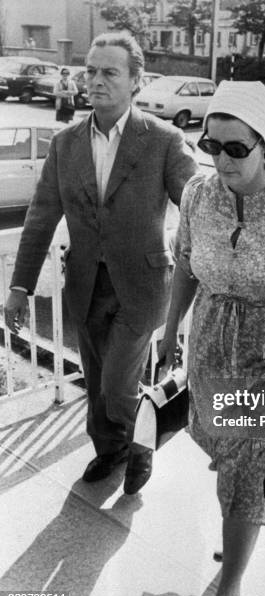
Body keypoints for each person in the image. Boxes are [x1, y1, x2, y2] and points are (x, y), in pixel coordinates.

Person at [4, 33, 197, 495]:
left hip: (144, 283)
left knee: (116, 380)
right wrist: (19, 287)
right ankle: (110, 451)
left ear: (136, 81)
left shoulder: (165, 141)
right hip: (86, 282)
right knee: (96, 382)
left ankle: (142, 444)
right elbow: (41, 217)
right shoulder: (65, 143)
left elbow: (197, 211)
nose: (95, 80)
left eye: (109, 72)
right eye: (90, 70)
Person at [158, 80, 265, 596]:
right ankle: (237, 540)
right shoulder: (197, 194)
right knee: (230, 461)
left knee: (250, 467)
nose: (222, 160)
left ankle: (227, 593)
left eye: (236, 148)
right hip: (210, 344)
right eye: (211, 146)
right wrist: (168, 333)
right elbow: (185, 265)